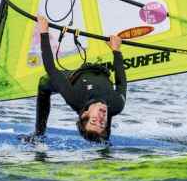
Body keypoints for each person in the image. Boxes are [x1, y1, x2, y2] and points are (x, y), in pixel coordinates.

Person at [32, 15, 125, 143]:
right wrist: (116, 51)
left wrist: (44, 32)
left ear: (85, 114)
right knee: (106, 118)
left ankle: (38, 134)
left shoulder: (74, 97)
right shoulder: (117, 105)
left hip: (74, 78)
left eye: (94, 121)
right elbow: (121, 82)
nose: (101, 119)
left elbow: (51, 68)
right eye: (102, 124)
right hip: (99, 71)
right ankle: (104, 143)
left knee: (44, 82)